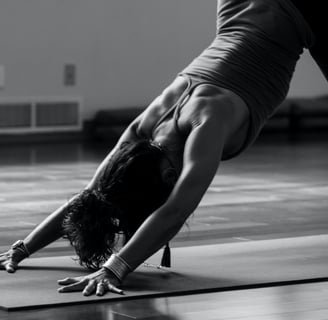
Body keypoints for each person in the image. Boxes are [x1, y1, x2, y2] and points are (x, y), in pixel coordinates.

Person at [1, 0, 327, 297]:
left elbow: (174, 211)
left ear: (170, 176)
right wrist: (22, 249)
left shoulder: (206, 124)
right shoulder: (145, 127)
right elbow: (88, 197)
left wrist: (115, 268)